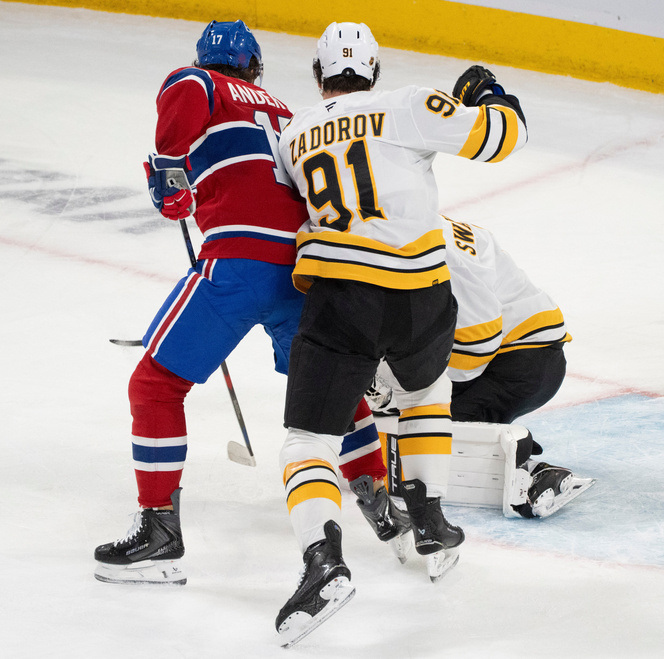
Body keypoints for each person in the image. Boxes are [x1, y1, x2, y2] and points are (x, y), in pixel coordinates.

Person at [92, 20, 387, 588]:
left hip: (238, 264)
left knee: (154, 386)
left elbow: (176, 141)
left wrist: (170, 182)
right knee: (329, 386)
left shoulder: (196, 81)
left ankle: (159, 531)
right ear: (254, 67)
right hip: (304, 269)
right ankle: (379, 498)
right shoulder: (284, 111)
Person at [272, 21, 529, 646]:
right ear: (375, 71)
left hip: (343, 295)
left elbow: (283, 213)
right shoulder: (407, 103)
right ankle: (432, 521)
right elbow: (502, 139)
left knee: (307, 441)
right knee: (425, 394)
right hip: (421, 296)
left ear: (317, 75)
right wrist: (490, 93)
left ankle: (322, 562)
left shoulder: (293, 134)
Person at [365, 216, 594, 519]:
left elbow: (477, 343)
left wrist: (405, 392)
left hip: (525, 359)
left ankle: (528, 473)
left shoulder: (433, 252)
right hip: (518, 353)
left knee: (425, 428)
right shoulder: (413, 225)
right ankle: (495, 438)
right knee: (414, 418)